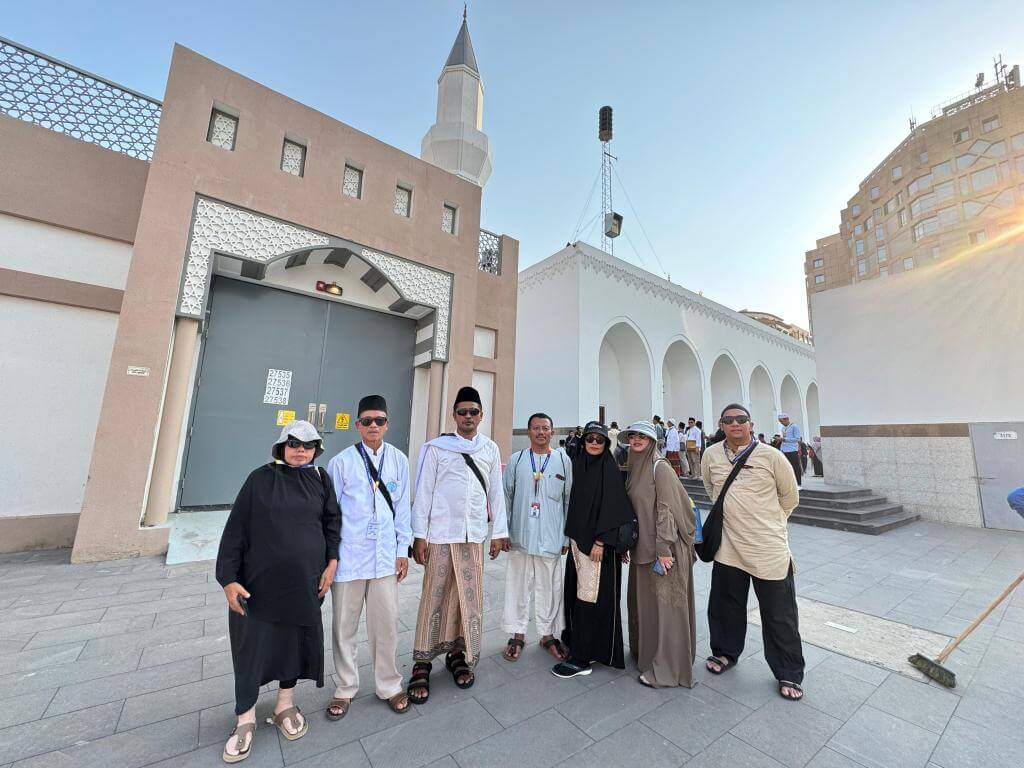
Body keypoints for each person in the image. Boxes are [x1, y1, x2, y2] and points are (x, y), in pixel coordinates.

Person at [216, 420, 340, 762]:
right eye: (294, 444)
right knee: (251, 648)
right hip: (258, 587)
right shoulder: (259, 479)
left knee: (293, 645)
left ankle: (285, 704)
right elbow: (235, 532)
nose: (301, 450)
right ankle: (246, 717)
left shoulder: (320, 479)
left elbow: (332, 523)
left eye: (309, 444)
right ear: (281, 446)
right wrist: (227, 580)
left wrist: (331, 564)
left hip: (305, 584)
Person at [407, 386, 509, 704]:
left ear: (482, 415)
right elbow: (423, 491)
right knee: (434, 596)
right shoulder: (437, 448)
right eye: (462, 412)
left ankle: (456, 653)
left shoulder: (490, 449)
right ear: (454, 415)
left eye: (473, 412)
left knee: (467, 598)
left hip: (472, 536)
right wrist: (419, 535)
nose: (468, 417)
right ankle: (422, 660)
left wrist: (498, 533)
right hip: (440, 533)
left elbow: (496, 494)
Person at [702, 404, 804, 701]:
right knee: (725, 606)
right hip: (729, 545)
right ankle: (724, 653)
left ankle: (788, 671)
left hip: (767, 547)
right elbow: (711, 489)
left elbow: (790, 497)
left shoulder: (772, 456)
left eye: (741, 420)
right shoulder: (711, 455)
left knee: (779, 614)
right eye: (729, 420)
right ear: (721, 425)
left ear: (751, 424)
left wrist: (767, 521)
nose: (735, 424)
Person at [325, 395, 411, 721]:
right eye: (367, 421)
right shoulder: (342, 462)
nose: (373, 426)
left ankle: (388, 685)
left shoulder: (399, 460)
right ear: (358, 424)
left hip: (386, 557)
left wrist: (402, 551)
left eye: (379, 420)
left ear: (387, 424)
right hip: (349, 557)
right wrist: (330, 557)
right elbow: (330, 514)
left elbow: (403, 510)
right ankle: (345, 688)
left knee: (385, 624)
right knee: (344, 626)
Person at [553, 421, 634, 678]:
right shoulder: (580, 465)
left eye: (600, 440)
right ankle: (577, 644)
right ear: (584, 440)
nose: (595, 444)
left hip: (597, 547)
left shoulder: (608, 469)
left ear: (606, 443)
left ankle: (582, 658)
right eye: (591, 439)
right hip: (578, 542)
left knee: (589, 598)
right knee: (579, 595)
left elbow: (615, 509)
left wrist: (600, 541)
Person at [621, 421, 697, 688]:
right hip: (643, 548)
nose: (636, 440)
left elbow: (665, 508)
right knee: (648, 607)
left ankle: (669, 669)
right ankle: (648, 656)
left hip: (664, 549)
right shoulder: (635, 468)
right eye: (633, 436)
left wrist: (663, 549)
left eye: (642, 436)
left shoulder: (660, 467)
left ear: (652, 440)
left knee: (667, 611)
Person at [501, 413, 572, 662]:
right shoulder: (516, 460)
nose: (541, 432)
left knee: (550, 588)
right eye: (536, 428)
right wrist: (503, 533)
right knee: (518, 586)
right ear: (528, 432)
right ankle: (517, 633)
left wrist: (566, 538)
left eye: (545, 428)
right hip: (520, 535)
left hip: (551, 537)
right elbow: (505, 497)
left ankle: (547, 634)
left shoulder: (563, 462)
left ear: (553, 432)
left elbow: (568, 501)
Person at [778, 413, 804, 489]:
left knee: (795, 467)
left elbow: (797, 439)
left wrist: (784, 439)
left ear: (787, 419)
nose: (781, 423)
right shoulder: (783, 428)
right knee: (786, 468)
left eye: (782, 421)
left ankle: (798, 484)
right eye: (780, 422)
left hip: (792, 450)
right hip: (784, 450)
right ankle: (789, 483)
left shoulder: (794, 427)